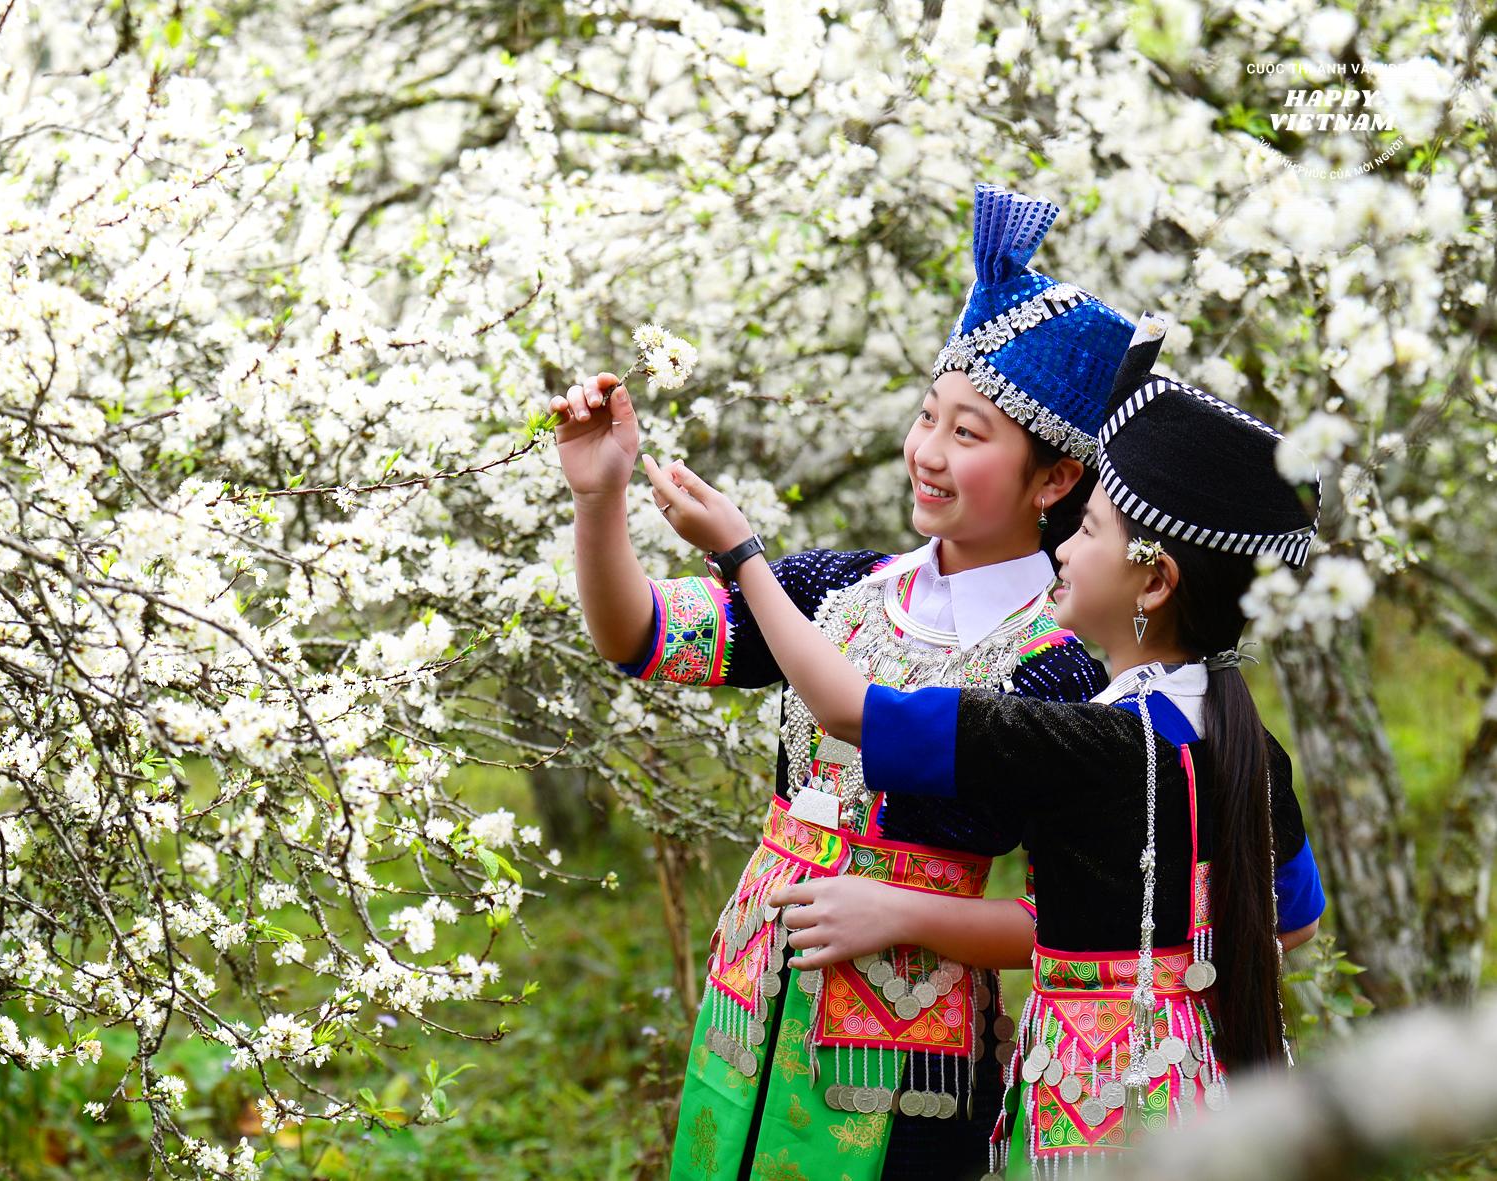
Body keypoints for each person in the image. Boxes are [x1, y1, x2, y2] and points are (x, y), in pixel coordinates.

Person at [638, 312, 1326, 1176]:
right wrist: (1156, 972)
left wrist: (742, 554)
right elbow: (1290, 922)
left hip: (1079, 1098)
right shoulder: (1243, 744)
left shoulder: (1076, 736)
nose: (1066, 544)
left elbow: (855, 711)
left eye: (1092, 528)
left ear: (1154, 580)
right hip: (1193, 1090)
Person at [551, 184, 1138, 1180]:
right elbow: (638, 634)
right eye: (925, 417)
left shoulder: (1059, 660)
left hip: (902, 1056)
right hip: (750, 997)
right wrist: (600, 498)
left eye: (968, 434)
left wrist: (901, 911)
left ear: (1052, 481)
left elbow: (1071, 922)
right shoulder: (835, 589)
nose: (926, 453)